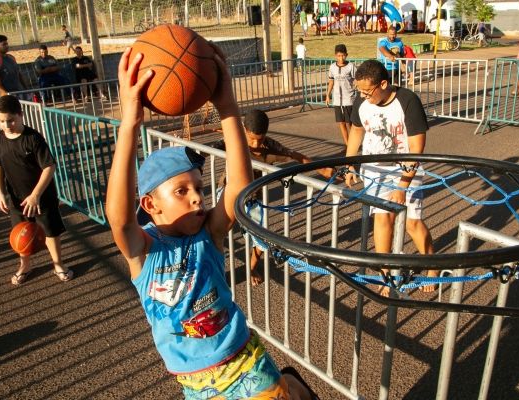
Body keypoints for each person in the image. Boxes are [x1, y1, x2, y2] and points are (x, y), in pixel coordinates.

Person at [106, 46, 318, 399]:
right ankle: (292, 382)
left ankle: (288, 384)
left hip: (243, 359)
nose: (196, 197)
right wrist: (130, 123)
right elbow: (119, 217)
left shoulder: (208, 234)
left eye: (199, 188)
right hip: (196, 382)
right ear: (150, 205)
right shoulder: (143, 251)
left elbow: (239, 187)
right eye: (181, 191)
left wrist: (228, 108)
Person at [344, 60, 439, 297]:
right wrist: (349, 164)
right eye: (360, 91)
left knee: (411, 222)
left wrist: (403, 184)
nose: (363, 96)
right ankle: (385, 273)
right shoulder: (362, 102)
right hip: (375, 169)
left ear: (383, 84)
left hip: (405, 168)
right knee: (382, 219)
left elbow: (417, 147)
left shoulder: (407, 101)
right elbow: (356, 131)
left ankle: (432, 266)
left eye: (367, 91)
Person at [212, 109, 336, 286]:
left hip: (253, 197)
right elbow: (209, 149)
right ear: (243, 130)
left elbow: (296, 155)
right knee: (218, 231)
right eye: (251, 137)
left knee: (260, 238)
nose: (255, 143)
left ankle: (251, 268)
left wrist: (322, 169)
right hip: (227, 191)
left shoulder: (270, 146)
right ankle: (214, 271)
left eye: (260, 138)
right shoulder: (235, 140)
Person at [0, 95, 72, 286]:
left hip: (41, 196)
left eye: (11, 120)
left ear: (21, 115)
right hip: (16, 198)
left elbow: (49, 167)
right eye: (1, 121)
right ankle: (25, 266)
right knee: (21, 233)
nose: (6, 125)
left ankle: (58, 264)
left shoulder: (33, 138)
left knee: (50, 232)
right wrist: (0, 192)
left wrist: (35, 195)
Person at [325, 44, 356, 145]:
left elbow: (356, 80)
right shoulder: (332, 67)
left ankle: (353, 143)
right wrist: (327, 95)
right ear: (335, 56)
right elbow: (331, 82)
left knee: (349, 124)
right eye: (338, 56)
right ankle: (347, 144)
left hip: (349, 99)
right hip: (337, 100)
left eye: (343, 55)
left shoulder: (351, 66)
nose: (341, 58)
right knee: (341, 123)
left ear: (346, 55)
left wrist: (357, 88)